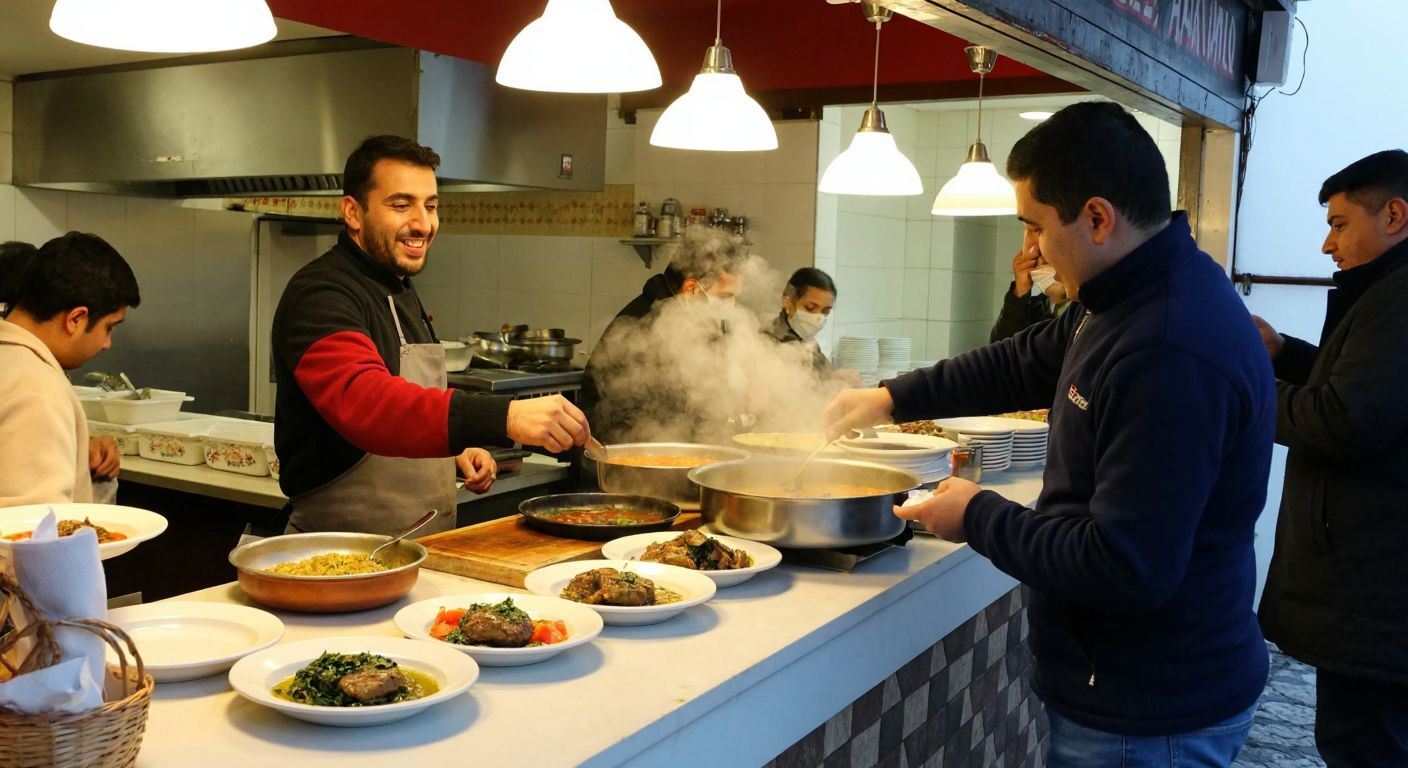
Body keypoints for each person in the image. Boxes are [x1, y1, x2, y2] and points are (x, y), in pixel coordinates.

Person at [824, 102, 1274, 766]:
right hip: (1130, 689)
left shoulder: (1167, 348)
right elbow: (1022, 360)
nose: (1030, 250)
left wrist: (976, 514)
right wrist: (891, 397)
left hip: (1151, 712)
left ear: (1097, 218)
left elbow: (1126, 567)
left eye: (1035, 226)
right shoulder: (1124, 293)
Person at [272, 135, 589, 536]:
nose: (423, 223)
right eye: (401, 205)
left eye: (431, 206)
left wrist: (450, 452)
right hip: (339, 552)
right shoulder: (322, 294)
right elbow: (367, 403)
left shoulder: (398, 287)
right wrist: (504, 417)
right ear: (353, 212)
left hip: (416, 547)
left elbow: (409, 407)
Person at [1253, 149, 1408, 767]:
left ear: (1394, 215)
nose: (1327, 245)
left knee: (1363, 745)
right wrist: (1282, 353)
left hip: (1376, 591)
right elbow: (1362, 386)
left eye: (1340, 225)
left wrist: (1244, 388)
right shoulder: (1383, 291)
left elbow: (1344, 417)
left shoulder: (1400, 298)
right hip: (1370, 587)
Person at [0, 232, 140, 507]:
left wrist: (79, 447)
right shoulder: (37, 390)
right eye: (109, 327)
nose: (107, 343)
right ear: (76, 318)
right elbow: (35, 523)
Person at [579, 228, 747, 444]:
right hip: (622, 453)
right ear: (691, 288)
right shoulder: (646, 326)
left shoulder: (693, 320)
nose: (731, 306)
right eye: (725, 296)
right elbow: (636, 417)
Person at [989, 245, 1072, 342]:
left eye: (1046, 263)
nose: (1041, 269)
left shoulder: (1081, 309)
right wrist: (1020, 290)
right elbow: (1002, 344)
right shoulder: (1036, 307)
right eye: (1036, 263)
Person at [764, 267, 836, 371]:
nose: (818, 318)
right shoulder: (767, 341)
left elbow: (825, 372)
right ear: (787, 302)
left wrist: (838, 375)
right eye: (810, 308)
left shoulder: (808, 342)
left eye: (825, 312)